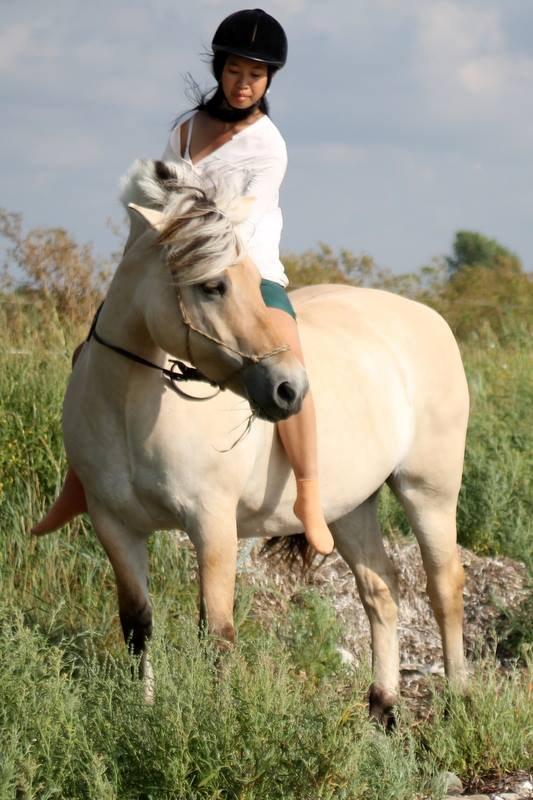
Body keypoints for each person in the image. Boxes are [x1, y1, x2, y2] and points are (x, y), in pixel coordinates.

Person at [32, 8, 334, 556]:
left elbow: (239, 221)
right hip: (179, 268)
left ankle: (309, 495)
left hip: (249, 270)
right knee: (91, 352)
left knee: (290, 357)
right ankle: (80, 484)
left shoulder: (269, 146)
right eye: (236, 71)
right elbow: (158, 198)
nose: (244, 85)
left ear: (269, 82)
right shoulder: (186, 129)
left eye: (256, 76)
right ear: (220, 69)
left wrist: (188, 225)